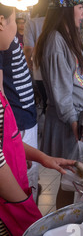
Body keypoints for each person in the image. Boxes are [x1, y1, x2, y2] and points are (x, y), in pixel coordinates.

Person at [0, 2, 76, 236]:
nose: (17, 27)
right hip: (7, 208)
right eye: (14, 20)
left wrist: (43, 157)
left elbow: (7, 141)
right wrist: (24, 207)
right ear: (1, 22)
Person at [34, 0, 83, 208]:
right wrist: (73, 121)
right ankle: (66, 224)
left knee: (78, 177)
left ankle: (78, 218)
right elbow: (60, 90)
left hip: (79, 114)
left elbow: (73, 76)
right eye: (79, 8)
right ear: (65, 12)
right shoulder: (55, 41)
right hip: (71, 119)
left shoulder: (65, 37)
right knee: (69, 180)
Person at [0, 34, 39, 202]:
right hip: (18, 122)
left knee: (29, 182)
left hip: (22, 121)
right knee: (24, 187)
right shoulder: (3, 41)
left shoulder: (7, 39)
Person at [23, 0, 49, 116]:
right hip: (56, 68)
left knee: (45, 101)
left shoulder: (31, 22)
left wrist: (29, 63)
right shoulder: (53, 21)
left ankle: (46, 128)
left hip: (39, 70)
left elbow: (28, 48)